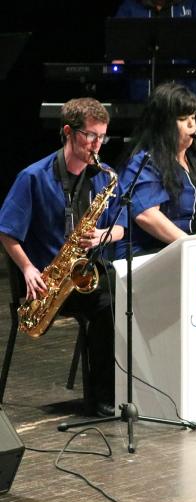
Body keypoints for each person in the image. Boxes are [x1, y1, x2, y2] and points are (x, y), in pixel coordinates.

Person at [0, 98, 124, 417]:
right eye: (90, 136)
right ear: (68, 132)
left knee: (118, 297)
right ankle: (103, 398)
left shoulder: (102, 177)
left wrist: (103, 235)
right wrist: (27, 268)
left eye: (102, 137)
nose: (97, 146)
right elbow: (6, 231)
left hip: (81, 278)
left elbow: (121, 227)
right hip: (46, 285)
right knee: (107, 303)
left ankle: (111, 395)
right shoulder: (33, 177)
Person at [115, 82, 196, 257]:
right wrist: (192, 247)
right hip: (156, 255)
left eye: (193, 117)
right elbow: (146, 215)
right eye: (183, 119)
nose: (192, 125)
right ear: (163, 124)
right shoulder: (144, 163)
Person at [114, 0, 196, 100]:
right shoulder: (129, 6)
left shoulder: (193, 3)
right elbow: (116, 51)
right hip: (141, 96)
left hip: (187, 96)